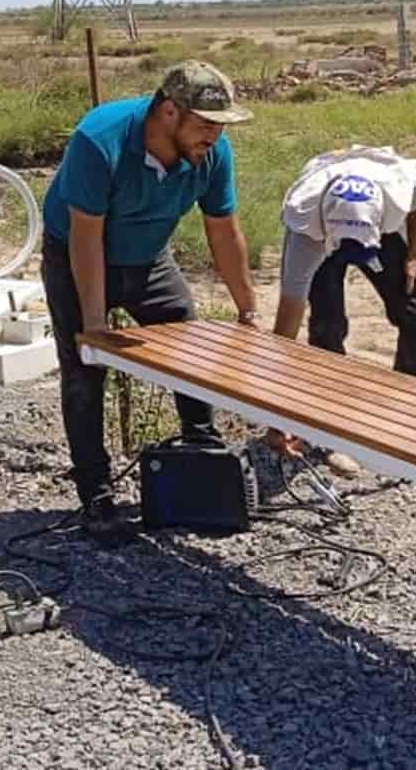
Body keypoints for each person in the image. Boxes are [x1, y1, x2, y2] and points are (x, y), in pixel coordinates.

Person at [39, 60, 263, 547]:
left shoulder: (212, 153)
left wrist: (248, 311)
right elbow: (85, 237)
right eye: (206, 124)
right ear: (169, 111)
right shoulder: (101, 139)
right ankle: (96, 496)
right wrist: (95, 327)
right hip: (78, 253)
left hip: (149, 257)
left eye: (221, 126)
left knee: (190, 345)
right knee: (84, 368)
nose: (215, 136)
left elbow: (224, 232)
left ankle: (202, 457)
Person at [261, 145, 416, 461]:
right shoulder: (304, 226)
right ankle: (330, 422)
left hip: (374, 220)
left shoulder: (396, 190)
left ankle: (405, 420)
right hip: (322, 226)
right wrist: (276, 419)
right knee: (327, 326)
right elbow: (284, 332)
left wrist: (415, 253)